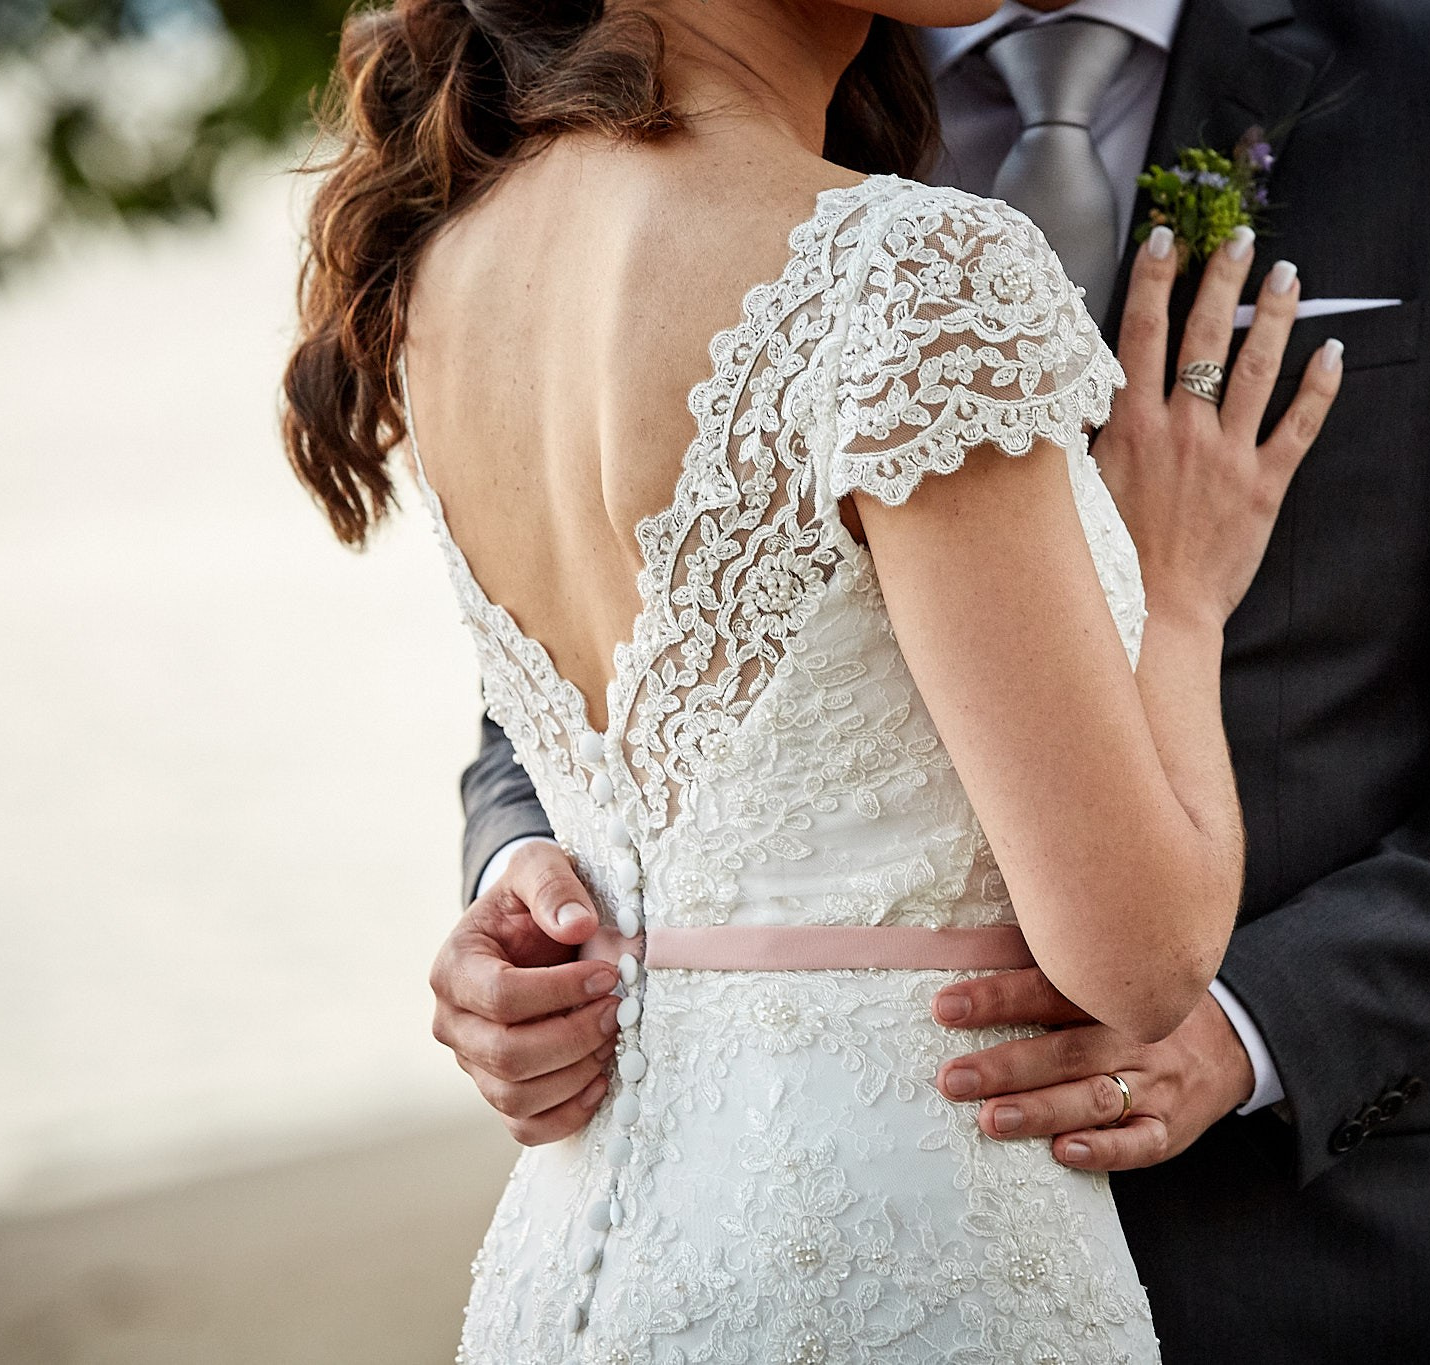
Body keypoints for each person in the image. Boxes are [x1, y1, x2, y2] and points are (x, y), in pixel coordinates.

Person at [430, 0, 1430, 1359]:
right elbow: (620, 676)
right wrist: (526, 895)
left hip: (1318, 1262)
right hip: (845, 1258)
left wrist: (1253, 1027)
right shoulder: (820, 132)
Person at [284, 0, 1347, 1355]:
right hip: (903, 1269)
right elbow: (1139, 960)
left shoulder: (448, 269)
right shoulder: (906, 270)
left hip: (578, 1280)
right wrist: (1181, 599)